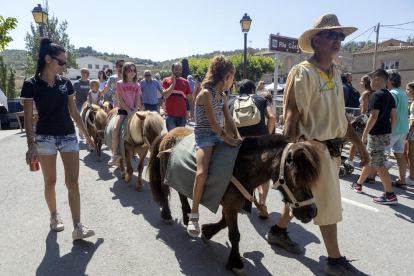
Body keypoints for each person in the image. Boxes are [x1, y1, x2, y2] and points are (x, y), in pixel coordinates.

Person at [273, 14, 369, 275]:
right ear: (316, 40)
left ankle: (277, 231)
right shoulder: (301, 71)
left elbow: (341, 115)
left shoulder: (336, 72)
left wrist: (358, 144)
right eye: (332, 35)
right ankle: (334, 261)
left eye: (340, 35)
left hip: (334, 148)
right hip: (312, 150)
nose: (338, 40)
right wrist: (288, 151)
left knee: (305, 196)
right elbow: (291, 112)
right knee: (327, 205)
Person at [21, 37, 95, 240]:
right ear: (47, 59)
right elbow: (28, 117)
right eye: (60, 62)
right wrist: (31, 144)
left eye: (65, 62)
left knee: (73, 182)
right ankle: (54, 215)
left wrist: (87, 136)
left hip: (68, 136)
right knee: (50, 181)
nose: (63, 66)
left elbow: (74, 112)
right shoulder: (31, 85)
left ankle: (78, 226)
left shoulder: (66, 84)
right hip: (44, 138)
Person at [187, 55, 242, 237]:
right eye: (232, 78)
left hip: (218, 135)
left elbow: (229, 119)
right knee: (201, 173)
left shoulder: (223, 96)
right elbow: (213, 123)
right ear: (227, 77)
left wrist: (239, 137)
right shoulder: (205, 93)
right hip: (205, 136)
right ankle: (193, 217)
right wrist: (228, 139)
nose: (232, 82)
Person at [228, 79, 276, 217]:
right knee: (264, 172)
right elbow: (272, 117)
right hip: (260, 141)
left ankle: (242, 200)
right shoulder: (260, 100)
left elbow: (227, 126)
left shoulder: (232, 102)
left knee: (243, 172)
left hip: (241, 142)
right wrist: (267, 134)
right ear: (252, 91)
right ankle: (262, 203)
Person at [350, 69, 398, 204]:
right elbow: (394, 117)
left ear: (376, 80)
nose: (369, 83)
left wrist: (364, 135)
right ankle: (358, 184)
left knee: (378, 164)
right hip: (384, 133)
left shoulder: (376, 96)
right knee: (372, 160)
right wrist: (389, 134)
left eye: (370, 80)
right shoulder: (390, 96)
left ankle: (390, 194)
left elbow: (373, 116)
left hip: (375, 134)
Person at [108, 62, 142, 165]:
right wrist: (128, 110)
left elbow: (137, 99)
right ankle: (114, 153)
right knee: (115, 129)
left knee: (145, 129)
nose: (132, 72)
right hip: (123, 110)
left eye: (134, 70)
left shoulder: (137, 85)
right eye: (130, 70)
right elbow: (120, 99)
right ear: (125, 72)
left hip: (135, 110)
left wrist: (135, 110)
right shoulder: (120, 83)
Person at [382, 69, 409, 190]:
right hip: (403, 128)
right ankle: (402, 181)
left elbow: (392, 113)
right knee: (400, 155)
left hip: (393, 129)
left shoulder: (392, 93)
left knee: (380, 153)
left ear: (388, 80)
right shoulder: (402, 93)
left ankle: (371, 177)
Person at [346, 76, 376, 181]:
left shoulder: (365, 94)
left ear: (367, 83)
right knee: (368, 145)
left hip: (365, 122)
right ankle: (370, 173)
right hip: (373, 123)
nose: (360, 83)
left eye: (362, 81)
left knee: (355, 141)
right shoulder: (374, 93)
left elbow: (364, 111)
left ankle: (349, 161)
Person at [162, 63, 194, 131]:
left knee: (180, 139)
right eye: (176, 69)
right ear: (172, 69)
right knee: (172, 138)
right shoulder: (165, 81)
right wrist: (173, 83)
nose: (178, 71)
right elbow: (166, 95)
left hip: (182, 116)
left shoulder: (185, 82)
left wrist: (192, 112)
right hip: (170, 115)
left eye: (180, 70)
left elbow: (190, 98)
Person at [73, 68, 90, 139]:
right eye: (86, 73)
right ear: (82, 73)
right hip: (79, 104)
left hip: (88, 103)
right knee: (81, 118)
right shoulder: (76, 84)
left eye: (89, 73)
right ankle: (80, 130)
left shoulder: (90, 82)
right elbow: (72, 94)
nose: (88, 74)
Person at [405, 82, 414, 185]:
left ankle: (412, 178)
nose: (406, 91)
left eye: (408, 89)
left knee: (410, 155)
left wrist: (410, 132)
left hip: (413, 132)